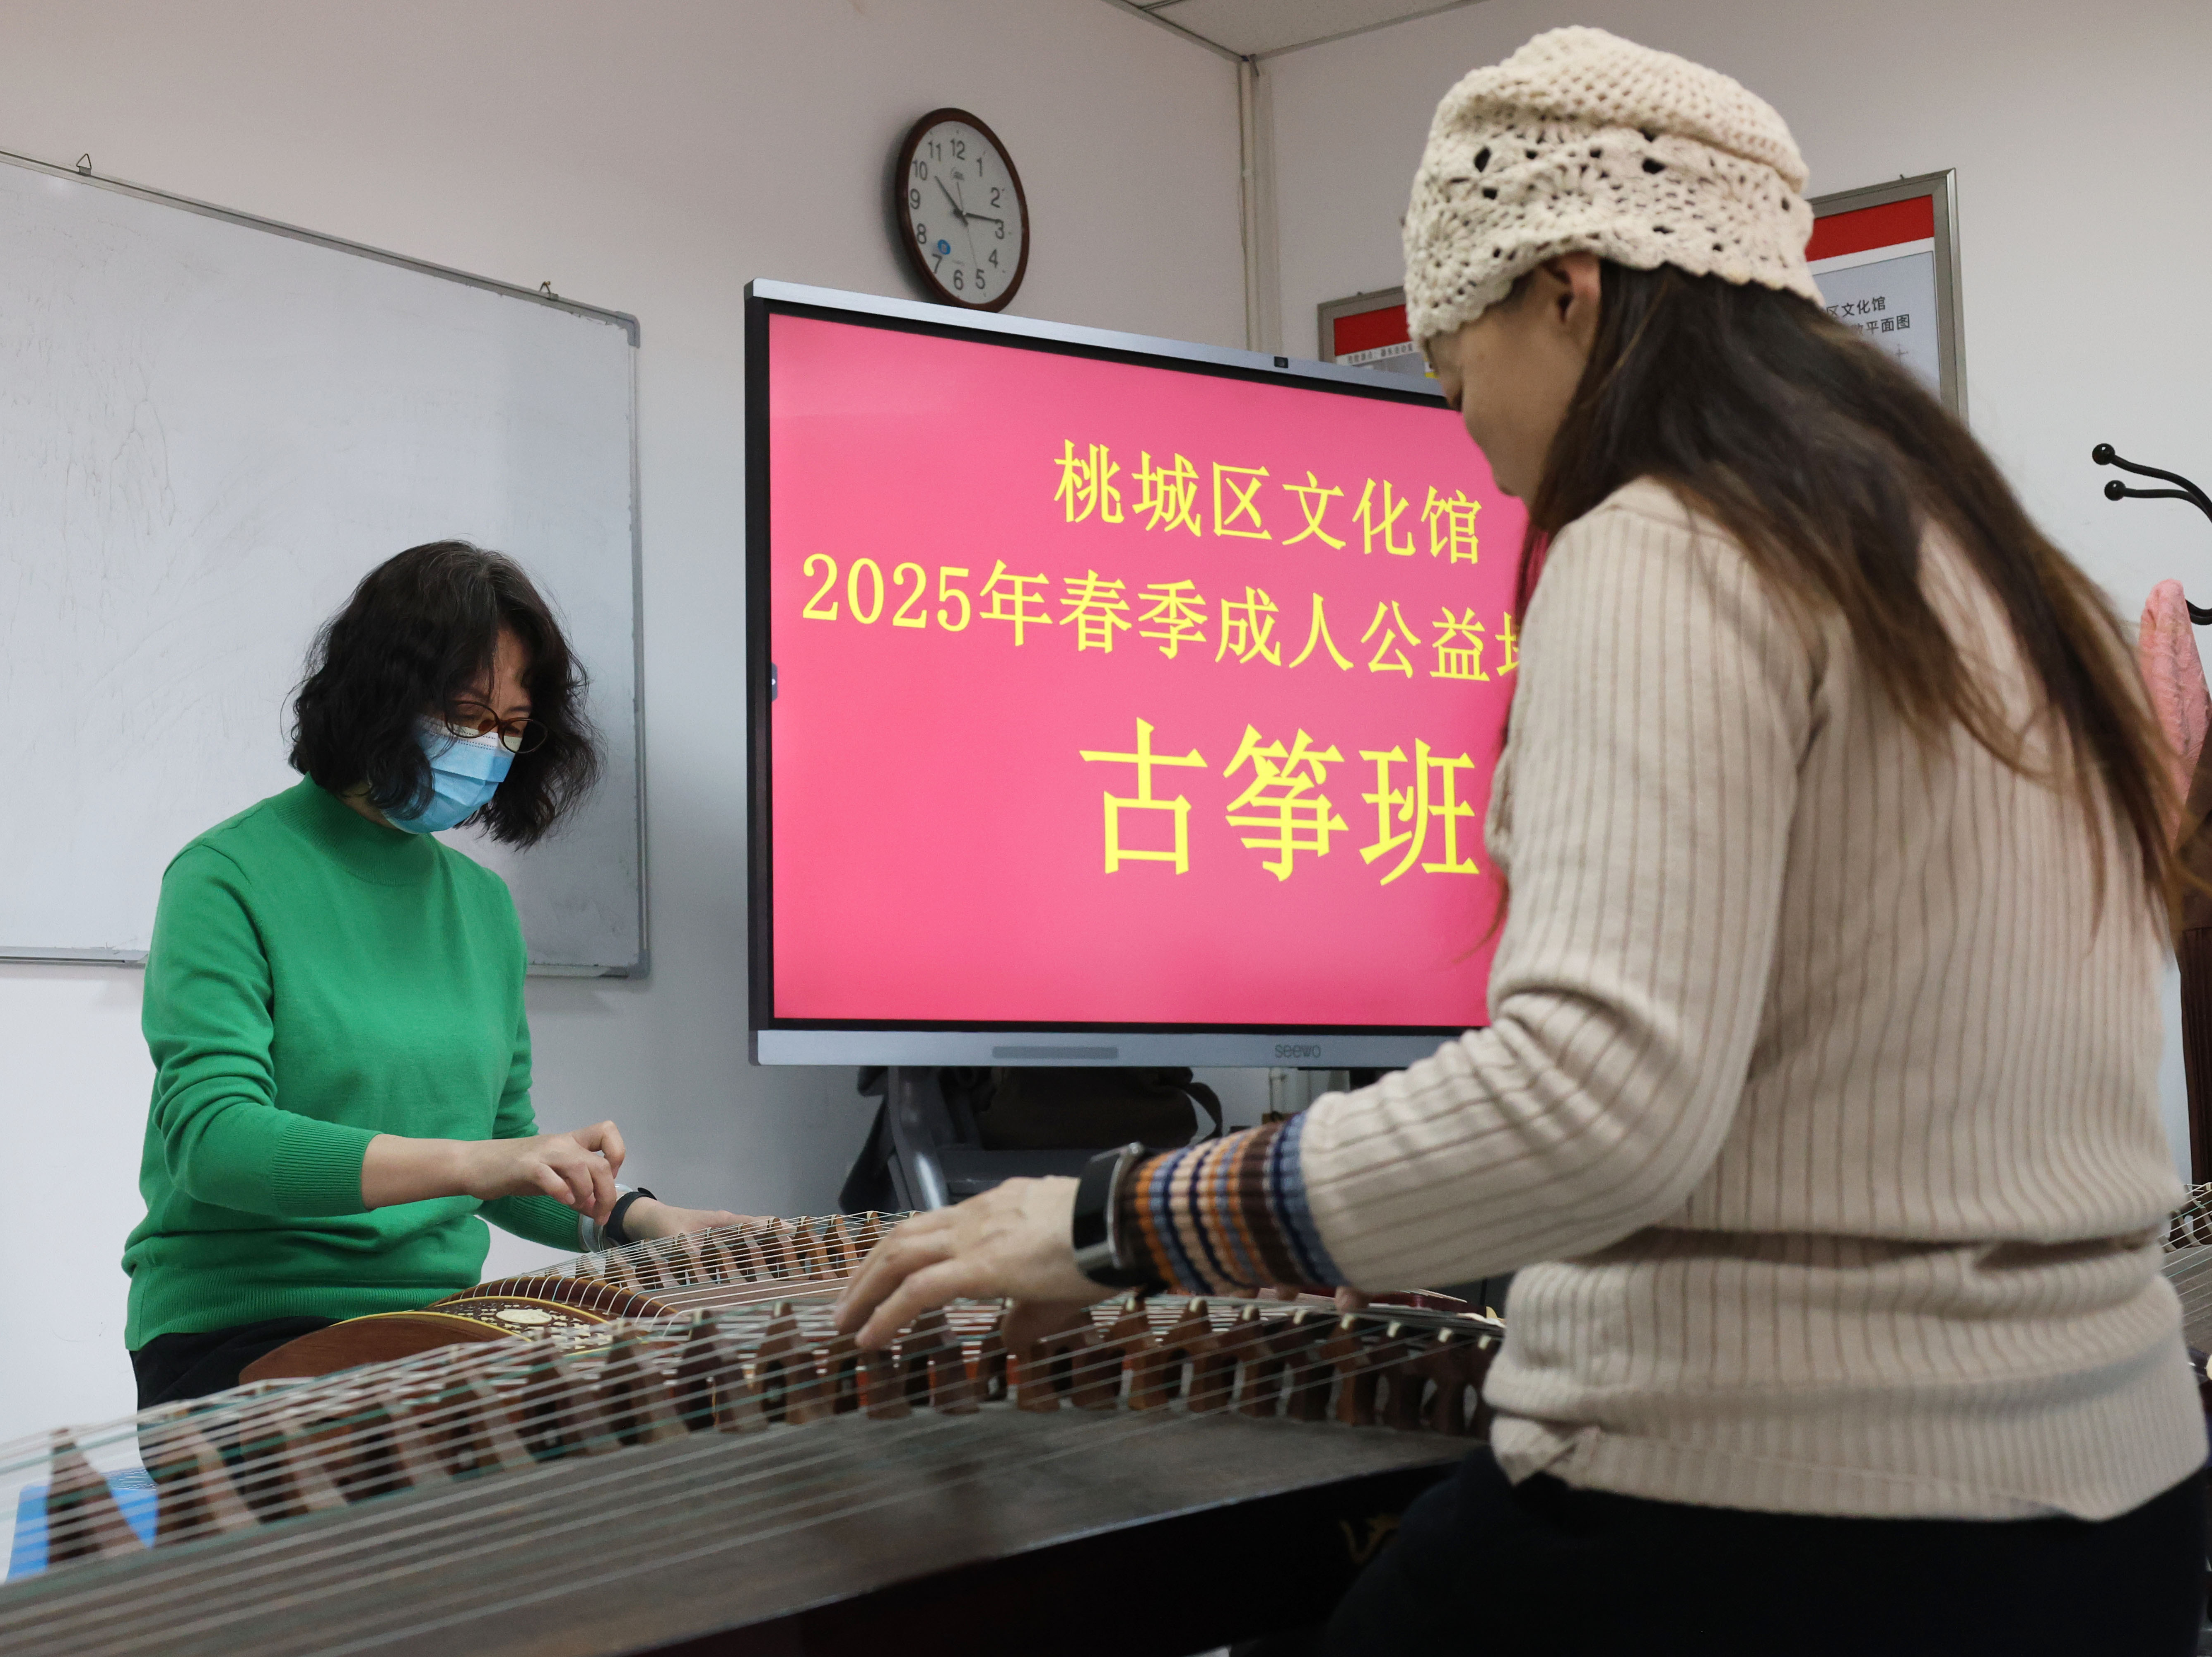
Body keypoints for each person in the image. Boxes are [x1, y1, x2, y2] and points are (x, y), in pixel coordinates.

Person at [836, 28, 2209, 1656]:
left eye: (1451, 364)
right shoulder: (1991, 574)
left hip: (1774, 1514)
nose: (1466, 431)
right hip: (2111, 1513)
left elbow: (1586, 1103)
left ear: (1568, 290)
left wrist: (1109, 1222)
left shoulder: (1668, 538)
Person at [125, 541, 742, 1408]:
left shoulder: (482, 908)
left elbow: (509, 1154)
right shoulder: (226, 876)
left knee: (679, 1414)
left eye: (512, 727)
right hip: (246, 1332)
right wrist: (482, 1161)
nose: (488, 748)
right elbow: (214, 1142)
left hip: (432, 1328)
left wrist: (641, 1220)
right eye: (464, 714)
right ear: (380, 695)